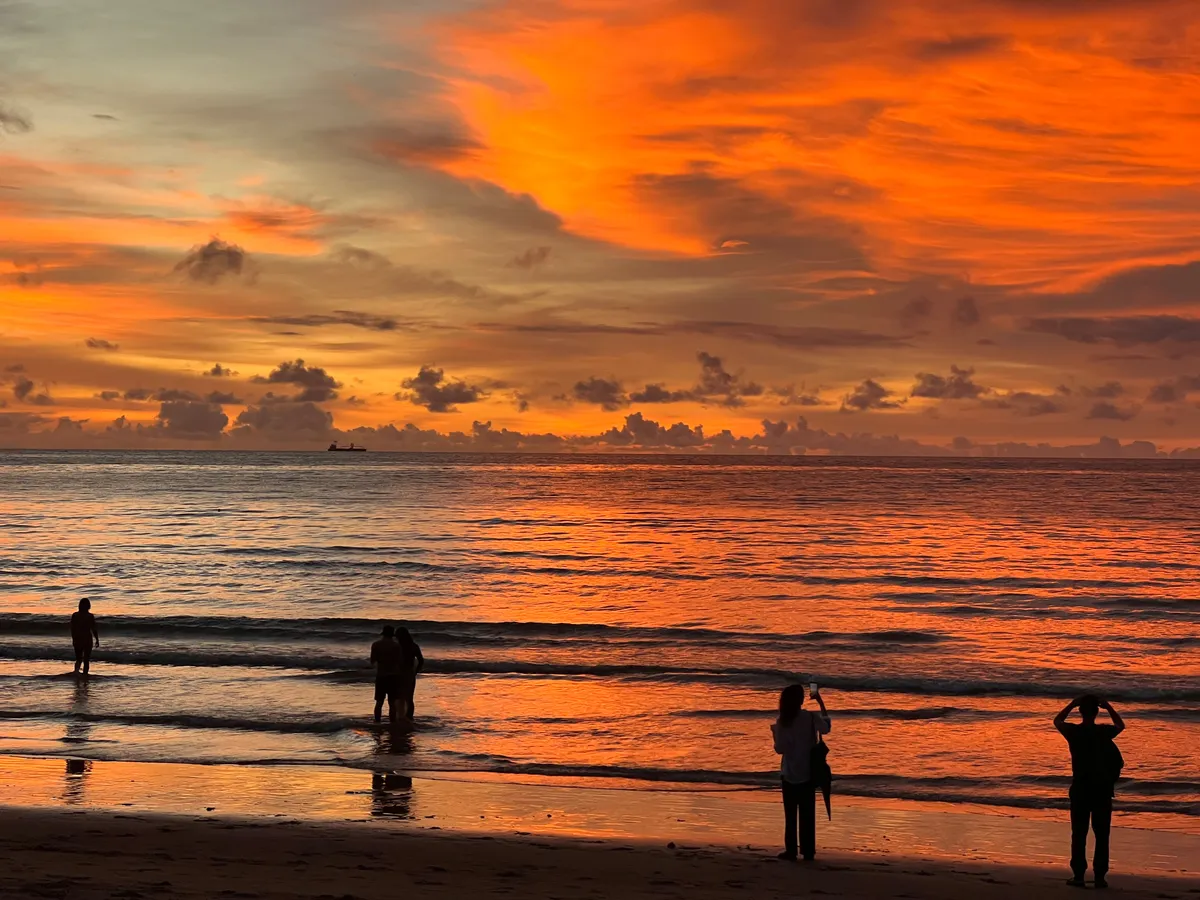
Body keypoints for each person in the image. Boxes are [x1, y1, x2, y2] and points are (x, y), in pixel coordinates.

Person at [1054, 694, 1125, 889]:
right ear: (1096, 712)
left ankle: (1078, 876)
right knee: (1102, 835)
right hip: (1102, 789)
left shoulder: (1074, 732)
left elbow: (1057, 720)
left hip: (1080, 788)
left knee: (1079, 833)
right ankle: (1100, 877)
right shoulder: (1103, 732)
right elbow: (1121, 726)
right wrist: (1109, 706)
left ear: (1080, 712)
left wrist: (1072, 703)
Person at [770, 683, 831, 861]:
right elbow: (826, 728)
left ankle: (791, 850)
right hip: (807, 772)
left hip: (789, 772)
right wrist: (820, 702)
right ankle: (808, 851)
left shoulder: (782, 721)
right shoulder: (810, 718)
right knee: (807, 814)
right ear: (801, 700)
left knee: (790, 815)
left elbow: (780, 749)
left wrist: (775, 735)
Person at [370, 625, 403, 725]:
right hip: (393, 676)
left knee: (379, 702)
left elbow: (372, 661)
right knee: (392, 703)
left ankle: (377, 722)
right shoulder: (397, 646)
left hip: (381, 675)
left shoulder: (376, 645)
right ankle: (392, 723)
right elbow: (400, 661)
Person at [395, 627, 425, 721]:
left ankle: (399, 716)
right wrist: (416, 671)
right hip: (409, 673)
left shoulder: (397, 646)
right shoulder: (414, 646)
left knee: (398, 697)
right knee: (409, 698)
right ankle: (409, 717)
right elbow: (421, 660)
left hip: (398, 673)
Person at [70, 598, 99, 676]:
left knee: (78, 659)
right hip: (87, 639)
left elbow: (73, 629)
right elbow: (93, 629)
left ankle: (76, 673)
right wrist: (97, 639)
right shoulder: (90, 616)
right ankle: (85, 675)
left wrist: (73, 638)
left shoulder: (75, 615)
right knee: (86, 660)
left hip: (78, 638)